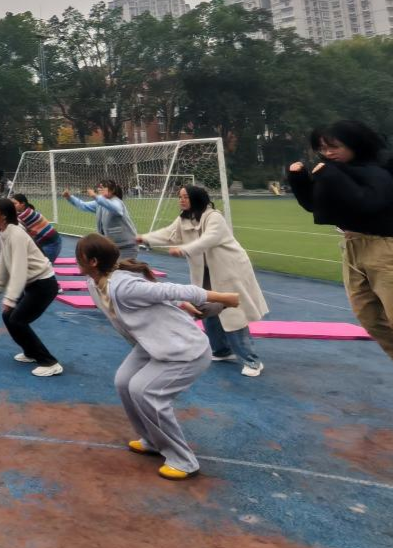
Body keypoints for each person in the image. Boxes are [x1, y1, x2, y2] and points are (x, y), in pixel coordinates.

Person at [287, 121, 393, 408]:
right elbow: (317, 206)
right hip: (353, 248)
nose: (327, 153)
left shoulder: (376, 173)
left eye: (334, 147)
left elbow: (366, 203)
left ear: (354, 144)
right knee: (370, 318)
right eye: (322, 148)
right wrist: (299, 180)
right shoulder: (337, 172)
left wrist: (329, 175)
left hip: (388, 250)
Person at [75, 233, 243, 480]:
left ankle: (183, 461)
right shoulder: (95, 284)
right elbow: (154, 294)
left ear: (93, 262)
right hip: (154, 343)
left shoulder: (123, 286)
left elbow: (173, 289)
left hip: (186, 348)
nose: (76, 260)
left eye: (79, 257)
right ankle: (152, 441)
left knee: (145, 391)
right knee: (124, 381)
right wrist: (181, 305)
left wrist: (222, 298)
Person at [138, 184, 269, 378]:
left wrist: (184, 249)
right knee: (206, 309)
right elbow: (168, 234)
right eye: (180, 197)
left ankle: (252, 361)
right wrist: (144, 238)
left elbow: (209, 239)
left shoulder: (214, 217)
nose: (181, 200)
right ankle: (222, 350)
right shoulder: (184, 219)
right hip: (205, 272)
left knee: (232, 315)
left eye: (185, 197)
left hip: (229, 270)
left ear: (196, 198)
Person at [0, 197, 62, 377]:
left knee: (17, 320)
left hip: (44, 284)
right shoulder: (4, 232)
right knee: (8, 316)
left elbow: (18, 268)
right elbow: (4, 263)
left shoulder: (16, 234)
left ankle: (50, 362)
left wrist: (10, 298)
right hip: (33, 285)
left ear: (3, 216)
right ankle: (30, 352)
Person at [64, 180, 140, 259]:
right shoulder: (99, 203)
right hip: (111, 247)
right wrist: (69, 197)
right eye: (99, 187)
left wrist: (96, 196)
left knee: (122, 267)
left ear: (112, 190)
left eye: (103, 187)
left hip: (126, 247)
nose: (99, 189)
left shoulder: (117, 202)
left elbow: (116, 209)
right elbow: (83, 205)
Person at [11, 194, 64, 263]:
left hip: (51, 244)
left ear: (22, 204)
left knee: (45, 266)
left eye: (14, 203)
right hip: (43, 243)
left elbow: (12, 221)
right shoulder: (24, 211)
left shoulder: (27, 214)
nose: (12, 206)